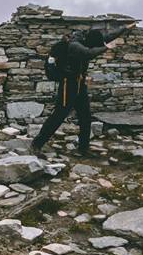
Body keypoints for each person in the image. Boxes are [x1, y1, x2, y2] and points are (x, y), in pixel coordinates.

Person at [30, 23, 136, 156]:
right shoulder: (75, 45)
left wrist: (125, 28)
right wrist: (105, 48)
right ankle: (37, 144)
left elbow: (109, 36)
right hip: (68, 84)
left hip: (80, 84)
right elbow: (88, 54)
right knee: (59, 116)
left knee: (85, 117)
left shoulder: (90, 39)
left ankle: (83, 149)